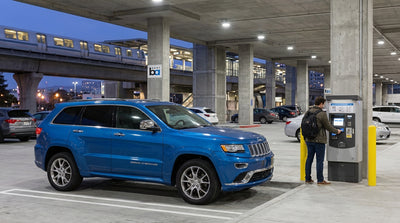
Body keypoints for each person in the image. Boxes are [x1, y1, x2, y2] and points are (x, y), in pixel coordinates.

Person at [304, 96, 342, 185]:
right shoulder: (322, 114)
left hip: (309, 140)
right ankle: (320, 180)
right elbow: (328, 126)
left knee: (309, 159)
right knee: (319, 160)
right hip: (319, 141)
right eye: (323, 104)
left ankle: (307, 178)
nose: (323, 105)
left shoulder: (308, 112)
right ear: (321, 104)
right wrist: (337, 131)